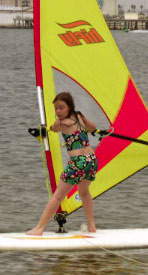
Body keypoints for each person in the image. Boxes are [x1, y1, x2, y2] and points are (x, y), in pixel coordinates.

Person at [26, 92, 98, 236]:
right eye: (56, 108)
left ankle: (39, 228)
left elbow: (52, 128)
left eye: (61, 108)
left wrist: (43, 130)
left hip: (78, 163)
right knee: (84, 192)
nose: (58, 111)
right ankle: (91, 226)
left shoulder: (61, 123)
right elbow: (93, 127)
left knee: (58, 196)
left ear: (69, 107)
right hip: (91, 160)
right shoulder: (79, 116)